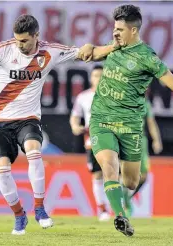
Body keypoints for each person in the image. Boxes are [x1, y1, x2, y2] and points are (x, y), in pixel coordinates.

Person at [84, 5, 173, 236]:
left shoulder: (147, 58)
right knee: (108, 165)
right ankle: (119, 215)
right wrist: (92, 48)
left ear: (134, 31)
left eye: (119, 29)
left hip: (130, 126)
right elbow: (93, 54)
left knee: (130, 182)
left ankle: (121, 200)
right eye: (114, 28)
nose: (115, 33)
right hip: (102, 119)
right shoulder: (114, 46)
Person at [0, 14, 93, 235]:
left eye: (25, 41)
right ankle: (19, 215)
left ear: (36, 36)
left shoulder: (51, 51)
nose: (20, 45)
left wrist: (103, 47)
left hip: (28, 118)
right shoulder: (3, 49)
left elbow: (84, 53)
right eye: (17, 40)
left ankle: (39, 209)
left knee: (33, 151)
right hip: (0, 121)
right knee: (1, 169)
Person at [70, 65, 110, 221]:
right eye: (95, 76)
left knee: (115, 173)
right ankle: (102, 208)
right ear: (91, 78)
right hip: (92, 140)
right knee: (97, 174)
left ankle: (119, 207)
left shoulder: (115, 95)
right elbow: (75, 116)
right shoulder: (83, 97)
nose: (98, 78)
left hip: (113, 138)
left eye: (101, 75)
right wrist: (75, 126)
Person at [123, 99, 163, 216]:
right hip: (124, 139)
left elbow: (151, 122)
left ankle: (127, 198)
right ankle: (124, 204)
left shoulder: (145, 102)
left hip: (141, 142)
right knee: (124, 173)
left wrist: (156, 140)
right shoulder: (120, 98)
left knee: (143, 177)